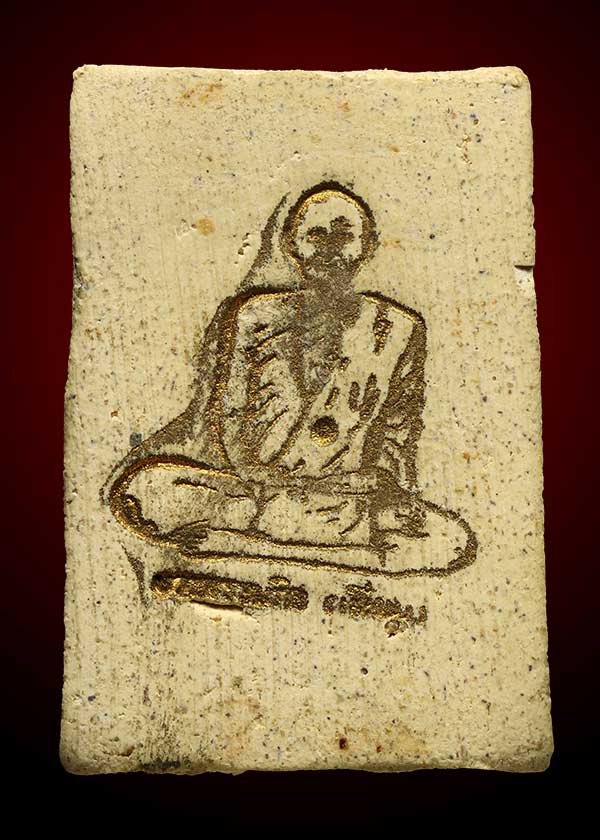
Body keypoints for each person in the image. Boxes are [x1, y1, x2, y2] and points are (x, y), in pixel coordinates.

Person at [105, 181, 429, 556]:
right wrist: (258, 478)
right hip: (252, 487)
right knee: (147, 486)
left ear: (366, 247)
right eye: (316, 236)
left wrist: (392, 488)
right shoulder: (255, 316)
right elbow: (227, 418)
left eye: (344, 236)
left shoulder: (396, 329)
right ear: (293, 246)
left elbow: (398, 433)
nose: (329, 250)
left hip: (340, 497)